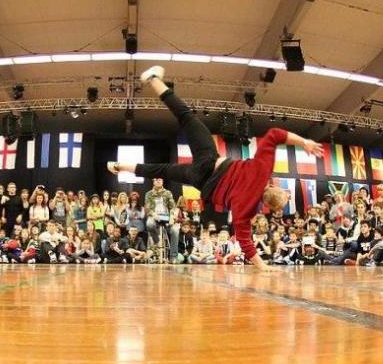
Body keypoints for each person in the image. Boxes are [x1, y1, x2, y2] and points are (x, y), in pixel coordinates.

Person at [108, 66, 323, 269]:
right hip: (200, 181)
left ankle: (154, 80)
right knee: (162, 170)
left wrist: (304, 142)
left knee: (186, 117)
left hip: (209, 161)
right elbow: (245, 240)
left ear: (275, 187)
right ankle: (120, 166)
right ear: (268, 205)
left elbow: (275, 134)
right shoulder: (248, 209)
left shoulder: (262, 170)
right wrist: (263, 266)